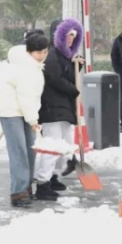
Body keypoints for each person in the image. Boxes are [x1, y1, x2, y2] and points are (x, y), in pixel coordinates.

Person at [0, 33, 50, 208]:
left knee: (30, 149)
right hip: (12, 112)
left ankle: (26, 188)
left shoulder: (34, 66)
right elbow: (26, 96)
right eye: (38, 52)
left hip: (25, 112)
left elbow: (32, 98)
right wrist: (33, 120)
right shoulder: (26, 68)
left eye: (44, 52)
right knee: (19, 151)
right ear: (29, 52)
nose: (42, 56)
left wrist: (32, 117)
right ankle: (18, 192)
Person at [35, 18, 84, 193]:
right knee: (52, 148)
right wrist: (74, 90)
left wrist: (75, 67)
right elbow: (54, 79)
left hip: (63, 110)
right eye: (68, 35)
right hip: (51, 109)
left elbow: (68, 77)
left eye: (73, 36)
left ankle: (54, 176)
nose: (70, 39)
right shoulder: (52, 54)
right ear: (59, 35)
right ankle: (43, 183)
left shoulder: (65, 56)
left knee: (65, 147)